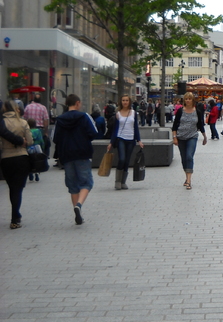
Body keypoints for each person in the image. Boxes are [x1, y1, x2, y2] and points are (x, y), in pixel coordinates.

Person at [53, 94, 100, 225]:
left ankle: (77, 213)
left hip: (66, 155)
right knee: (86, 183)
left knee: (72, 185)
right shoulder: (84, 116)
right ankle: (79, 205)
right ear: (77, 103)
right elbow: (94, 132)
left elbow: (55, 138)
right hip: (82, 153)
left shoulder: (60, 120)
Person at [1, 101, 33, 229]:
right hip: (21, 157)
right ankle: (15, 217)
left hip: (6, 158)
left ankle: (15, 215)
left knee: (11, 187)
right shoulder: (23, 122)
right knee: (18, 189)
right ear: (16, 109)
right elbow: (30, 141)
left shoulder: (1, 123)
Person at [107, 95, 144, 190]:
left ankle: (123, 182)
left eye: (127, 100)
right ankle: (117, 181)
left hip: (131, 139)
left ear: (129, 102)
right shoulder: (118, 113)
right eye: (123, 100)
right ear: (121, 102)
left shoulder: (133, 113)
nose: (125, 102)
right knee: (122, 159)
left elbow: (135, 127)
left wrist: (139, 140)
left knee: (127, 161)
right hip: (120, 138)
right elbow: (115, 129)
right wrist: (111, 142)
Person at [172, 92, 207, 190]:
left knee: (189, 156)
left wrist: (204, 137)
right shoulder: (180, 111)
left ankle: (189, 180)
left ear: (192, 100)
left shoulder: (197, 111)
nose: (187, 100)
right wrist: (174, 137)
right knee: (184, 158)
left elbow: (200, 125)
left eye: (189, 99)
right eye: (186, 99)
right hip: (181, 137)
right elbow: (175, 125)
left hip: (192, 136)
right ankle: (186, 176)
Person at [27, 118, 46, 182]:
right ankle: (37, 174)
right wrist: (42, 147)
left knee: (29, 161)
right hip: (37, 148)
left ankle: (30, 173)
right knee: (36, 161)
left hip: (28, 148)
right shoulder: (38, 131)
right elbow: (41, 140)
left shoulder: (27, 131)